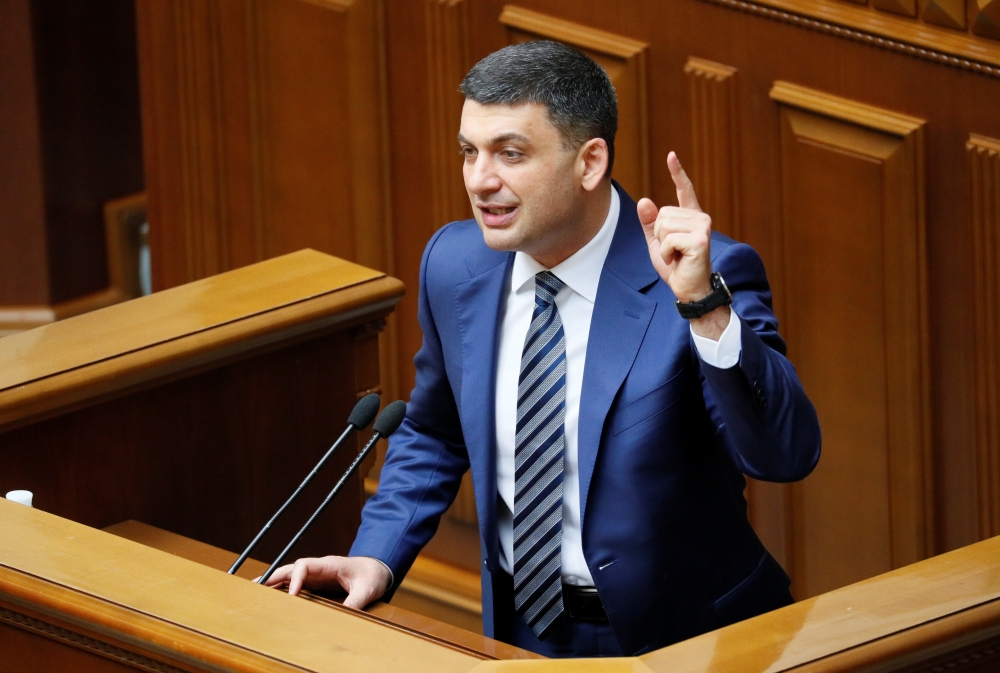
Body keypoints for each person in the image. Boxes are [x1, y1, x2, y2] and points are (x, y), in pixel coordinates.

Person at [263, 40, 821, 658]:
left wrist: (704, 307)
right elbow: (434, 433)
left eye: (510, 153)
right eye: (469, 152)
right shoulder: (454, 264)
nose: (480, 180)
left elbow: (784, 454)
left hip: (686, 640)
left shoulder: (696, 276)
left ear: (589, 162)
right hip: (519, 631)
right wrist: (376, 557)